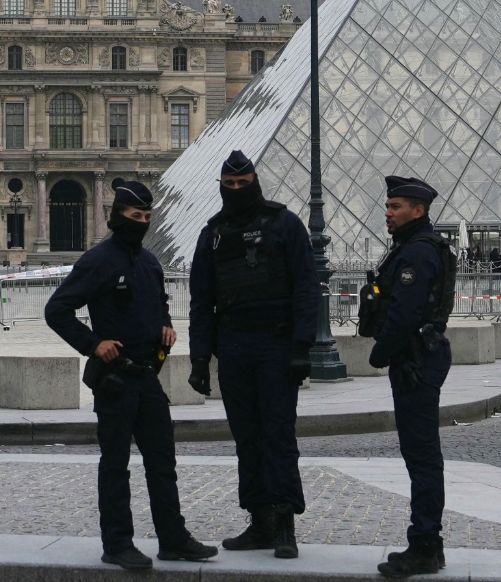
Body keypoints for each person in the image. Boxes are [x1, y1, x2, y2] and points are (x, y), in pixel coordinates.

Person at [44, 182, 217, 571]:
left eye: (146, 217)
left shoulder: (151, 262)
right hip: (116, 379)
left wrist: (166, 326)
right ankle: (117, 543)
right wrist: (92, 344)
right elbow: (57, 310)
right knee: (115, 463)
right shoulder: (98, 260)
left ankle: (173, 538)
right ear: (116, 217)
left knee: (162, 461)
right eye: (134, 216)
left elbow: (160, 304)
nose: (140, 222)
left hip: (147, 377)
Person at [186, 150, 320, 559]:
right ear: (222, 187)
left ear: (256, 182)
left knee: (278, 434)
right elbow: (201, 300)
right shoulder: (211, 234)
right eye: (231, 185)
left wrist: (301, 348)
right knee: (246, 437)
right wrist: (199, 359)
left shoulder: (285, 224)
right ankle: (259, 521)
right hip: (234, 345)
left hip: (276, 345)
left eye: (244, 185)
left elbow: (306, 288)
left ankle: (284, 524)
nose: (238, 190)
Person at [364, 177, 455, 577]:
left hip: (415, 360)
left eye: (396, 206)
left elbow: (403, 313)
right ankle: (429, 545)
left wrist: (378, 354)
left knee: (421, 457)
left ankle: (424, 545)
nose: (388, 212)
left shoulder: (417, 253)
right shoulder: (415, 247)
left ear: (418, 211)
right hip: (419, 357)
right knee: (420, 455)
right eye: (388, 206)